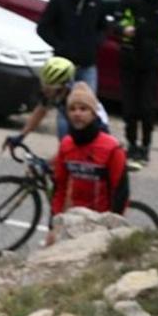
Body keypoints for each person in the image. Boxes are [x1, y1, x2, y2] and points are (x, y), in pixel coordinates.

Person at [46, 84, 129, 245]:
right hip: (74, 220)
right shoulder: (66, 145)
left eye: (83, 109)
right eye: (73, 109)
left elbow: (120, 192)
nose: (77, 114)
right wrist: (52, 226)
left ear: (93, 113)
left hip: (102, 221)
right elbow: (59, 188)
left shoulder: (112, 147)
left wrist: (111, 226)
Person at [115, 0, 158, 165]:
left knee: (147, 107)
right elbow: (115, 22)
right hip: (129, 59)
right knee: (129, 107)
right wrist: (123, 29)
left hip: (152, 61)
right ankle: (131, 144)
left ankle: (145, 146)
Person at [3, 56, 111, 151]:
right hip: (76, 132)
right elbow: (40, 110)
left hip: (93, 135)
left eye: (49, 87)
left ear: (63, 86)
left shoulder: (76, 100)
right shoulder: (57, 93)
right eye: (44, 84)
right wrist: (21, 135)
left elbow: (74, 144)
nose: (45, 89)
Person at [36, 0, 106, 91]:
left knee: (87, 100)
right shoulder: (59, 0)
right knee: (62, 102)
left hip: (87, 63)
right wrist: (60, 46)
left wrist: (95, 43)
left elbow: (102, 27)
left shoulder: (97, 2)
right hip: (63, 63)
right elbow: (43, 28)